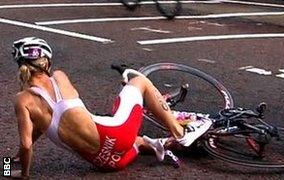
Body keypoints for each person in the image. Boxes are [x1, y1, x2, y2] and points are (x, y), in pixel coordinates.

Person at [10, 37, 212, 179]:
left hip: (108, 163)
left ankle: (161, 145)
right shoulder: (59, 77)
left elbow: (28, 142)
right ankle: (180, 133)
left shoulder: (23, 100)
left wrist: (20, 171)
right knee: (139, 82)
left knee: (137, 141)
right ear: (47, 61)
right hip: (116, 134)